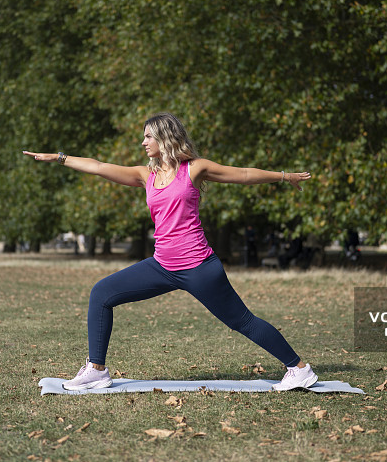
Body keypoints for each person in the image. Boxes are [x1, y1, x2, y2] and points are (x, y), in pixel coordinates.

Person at [23, 112, 318, 391]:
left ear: (165, 137)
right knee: (101, 294)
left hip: (199, 267)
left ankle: (299, 368)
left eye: (148, 136)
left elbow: (241, 174)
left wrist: (283, 176)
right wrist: (59, 158)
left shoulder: (195, 168)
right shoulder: (145, 175)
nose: (143, 143)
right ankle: (96, 370)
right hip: (161, 265)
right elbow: (99, 166)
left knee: (241, 321)